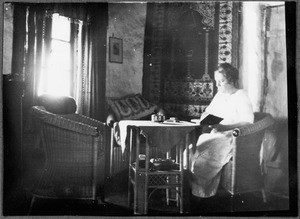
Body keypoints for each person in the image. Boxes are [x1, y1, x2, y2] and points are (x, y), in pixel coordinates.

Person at [189, 63, 254, 198]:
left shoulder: (241, 95)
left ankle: (201, 192)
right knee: (193, 149)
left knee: (203, 157)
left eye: (222, 81)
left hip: (232, 138)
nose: (217, 85)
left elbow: (248, 122)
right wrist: (206, 119)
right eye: (217, 81)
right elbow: (207, 113)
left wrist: (224, 127)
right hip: (217, 134)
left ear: (231, 80)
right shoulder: (220, 95)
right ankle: (194, 187)